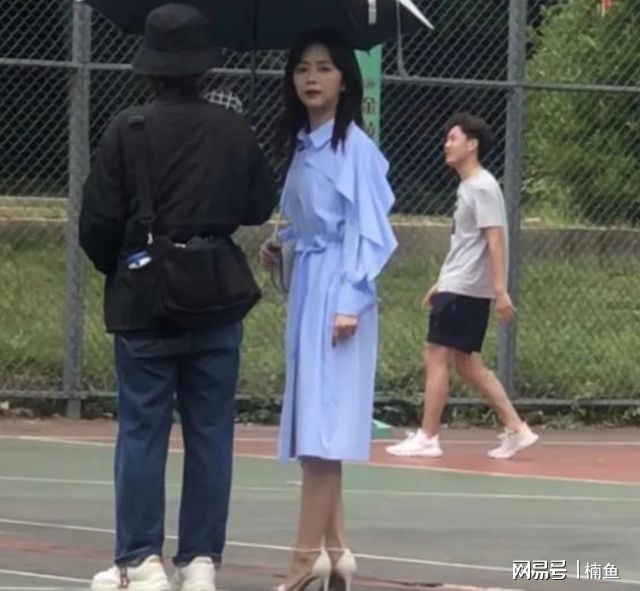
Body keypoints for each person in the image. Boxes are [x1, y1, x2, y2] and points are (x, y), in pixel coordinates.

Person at [79, 5, 278, 591]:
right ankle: (200, 560)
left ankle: (140, 560)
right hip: (216, 293)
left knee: (142, 429)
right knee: (211, 432)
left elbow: (97, 224)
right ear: (204, 66)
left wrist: (126, 266)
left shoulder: (128, 129)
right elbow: (257, 206)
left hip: (145, 300)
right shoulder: (232, 128)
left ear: (148, 66)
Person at [260, 29, 398, 591]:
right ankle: (337, 553)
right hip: (310, 289)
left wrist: (350, 301)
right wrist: (284, 244)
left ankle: (302, 561)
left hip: (339, 296)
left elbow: (371, 234)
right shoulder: (302, 145)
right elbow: (311, 222)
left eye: (324, 68)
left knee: (323, 433)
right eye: (302, 68)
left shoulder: (355, 150)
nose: (311, 78)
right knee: (312, 427)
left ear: (345, 79)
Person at [386, 113, 538, 460]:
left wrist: (500, 290)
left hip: (466, 288)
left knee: (436, 355)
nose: (446, 145)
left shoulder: (481, 186)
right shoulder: (469, 187)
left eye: (453, 138)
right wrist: (441, 282)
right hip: (458, 285)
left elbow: (495, 239)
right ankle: (517, 428)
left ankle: (428, 436)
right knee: (467, 364)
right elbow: (467, 245)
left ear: (472, 144)